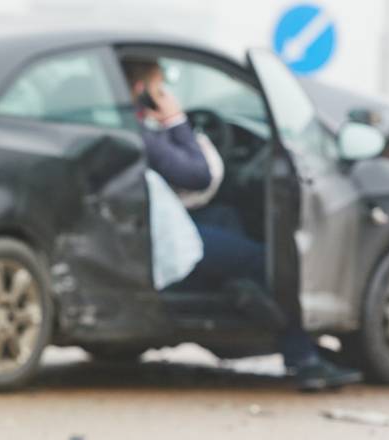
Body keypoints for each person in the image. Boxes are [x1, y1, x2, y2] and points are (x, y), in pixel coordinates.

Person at [122, 58, 362, 391]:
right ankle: (302, 356)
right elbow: (197, 174)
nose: (164, 95)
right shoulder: (140, 133)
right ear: (141, 90)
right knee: (264, 260)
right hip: (156, 236)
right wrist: (176, 120)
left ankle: (241, 298)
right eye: (159, 89)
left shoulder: (127, 127)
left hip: (153, 223)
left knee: (227, 219)